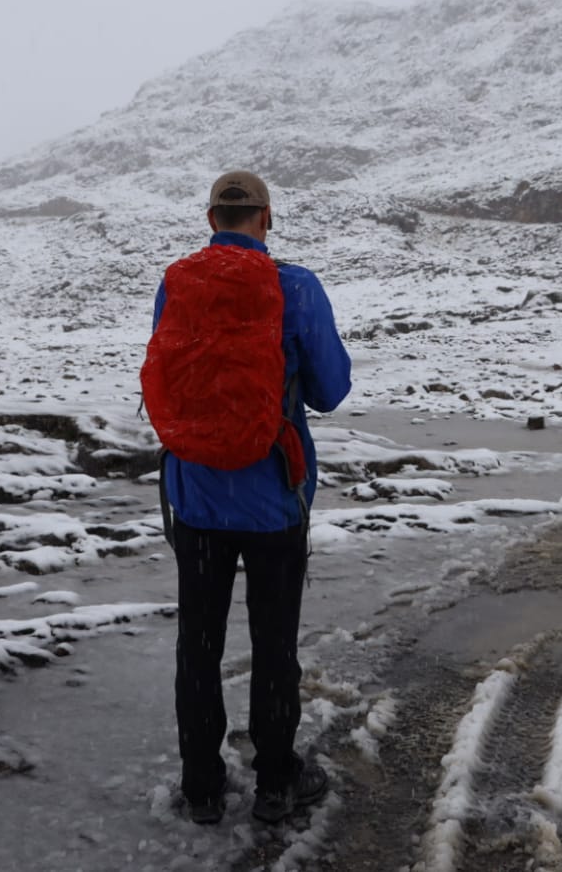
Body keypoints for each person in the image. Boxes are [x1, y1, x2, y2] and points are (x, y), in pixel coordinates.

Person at [150, 170, 352, 825]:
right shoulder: (295, 286)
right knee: (273, 644)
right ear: (265, 217)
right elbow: (329, 390)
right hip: (273, 502)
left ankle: (202, 789)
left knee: (197, 647)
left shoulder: (176, 283)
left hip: (197, 501)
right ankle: (274, 784)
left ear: (211, 219)